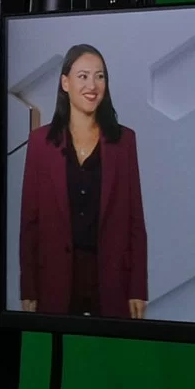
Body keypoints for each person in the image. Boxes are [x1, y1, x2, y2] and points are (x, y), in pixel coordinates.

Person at [18, 43, 148, 319]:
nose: (92, 85)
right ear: (65, 83)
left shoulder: (124, 141)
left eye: (100, 76)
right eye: (83, 76)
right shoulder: (40, 143)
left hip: (111, 279)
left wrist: (138, 287)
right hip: (55, 279)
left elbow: (135, 220)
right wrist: (28, 287)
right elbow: (30, 222)